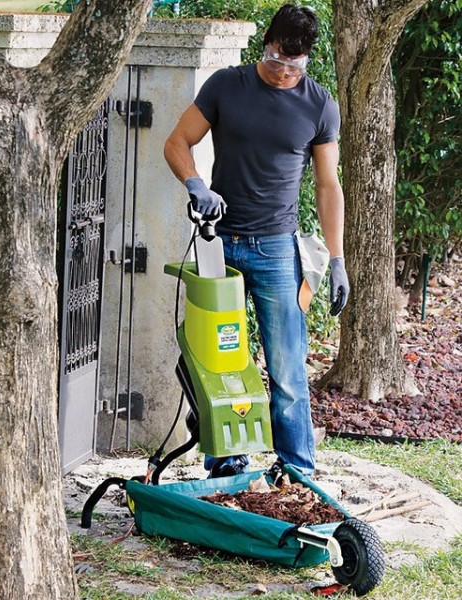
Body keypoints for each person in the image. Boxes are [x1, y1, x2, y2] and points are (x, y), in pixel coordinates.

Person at [164, 4, 349, 478]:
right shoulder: (227, 85)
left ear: (306, 59)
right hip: (218, 246)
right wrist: (195, 184)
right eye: (275, 61)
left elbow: (329, 186)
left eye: (295, 66)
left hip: (275, 249)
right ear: (264, 43)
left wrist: (337, 258)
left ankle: (297, 469)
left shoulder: (319, 104)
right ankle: (226, 461)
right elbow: (177, 142)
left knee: (287, 369)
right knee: (218, 360)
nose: (284, 72)